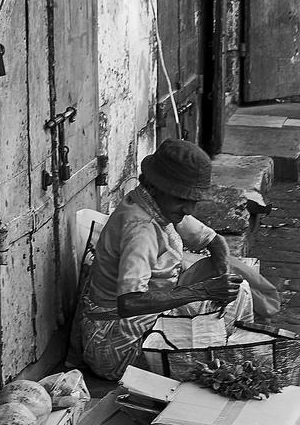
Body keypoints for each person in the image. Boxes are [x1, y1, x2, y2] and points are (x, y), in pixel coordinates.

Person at [79, 139, 280, 380]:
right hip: (114, 345)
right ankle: (235, 356)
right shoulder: (140, 229)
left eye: (193, 201)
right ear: (154, 187)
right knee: (212, 341)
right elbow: (129, 304)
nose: (188, 209)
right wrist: (204, 290)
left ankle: (236, 352)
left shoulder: (161, 205)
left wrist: (222, 275)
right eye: (182, 200)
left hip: (140, 316)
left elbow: (215, 242)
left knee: (237, 289)